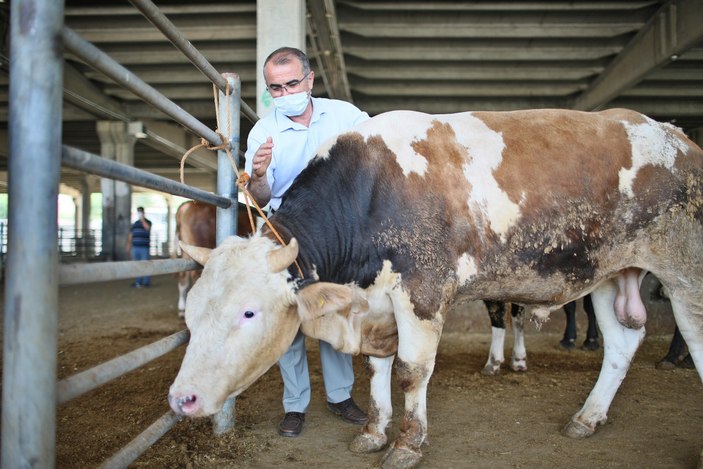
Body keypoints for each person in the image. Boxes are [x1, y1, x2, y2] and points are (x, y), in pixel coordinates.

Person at [244, 46, 370, 438]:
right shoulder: (264, 132)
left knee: (331, 306)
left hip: (336, 229)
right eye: (274, 89)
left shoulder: (347, 116)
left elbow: (378, 152)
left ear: (310, 80)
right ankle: (295, 404)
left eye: (291, 84)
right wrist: (259, 174)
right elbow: (259, 199)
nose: (284, 95)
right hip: (286, 230)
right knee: (289, 315)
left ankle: (340, 396)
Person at [127, 206, 152, 287]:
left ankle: (146, 282)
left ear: (143, 213)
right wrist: (129, 245)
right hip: (135, 247)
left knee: (145, 264)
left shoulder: (148, 222)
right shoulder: (135, 224)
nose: (139, 214)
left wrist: (142, 219)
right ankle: (138, 282)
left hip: (144, 248)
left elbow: (147, 228)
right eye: (138, 212)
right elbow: (131, 235)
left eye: (140, 212)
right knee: (137, 265)